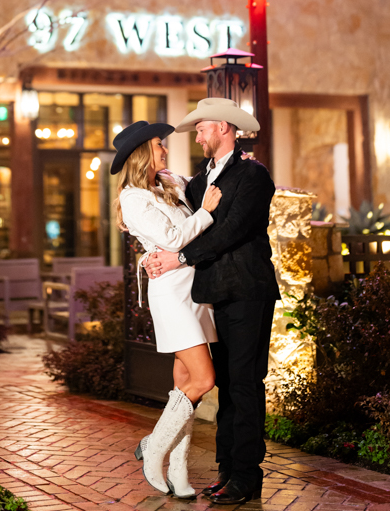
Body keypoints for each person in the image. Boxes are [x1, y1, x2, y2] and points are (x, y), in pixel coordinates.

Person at [145, 98, 280, 505]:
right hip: (211, 296)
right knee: (225, 385)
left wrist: (180, 258)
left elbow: (231, 232)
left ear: (223, 127)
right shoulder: (199, 182)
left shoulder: (254, 176)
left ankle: (246, 474)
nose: (198, 136)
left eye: (202, 128)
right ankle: (227, 470)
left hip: (246, 291)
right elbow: (184, 225)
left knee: (244, 383)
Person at [114, 119, 222, 500]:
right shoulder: (133, 199)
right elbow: (175, 237)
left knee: (182, 384)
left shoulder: (169, 184)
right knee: (204, 380)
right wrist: (206, 212)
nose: (165, 150)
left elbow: (184, 237)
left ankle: (178, 469)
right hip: (172, 295)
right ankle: (153, 448)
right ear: (143, 152)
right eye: (159, 145)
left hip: (196, 289)